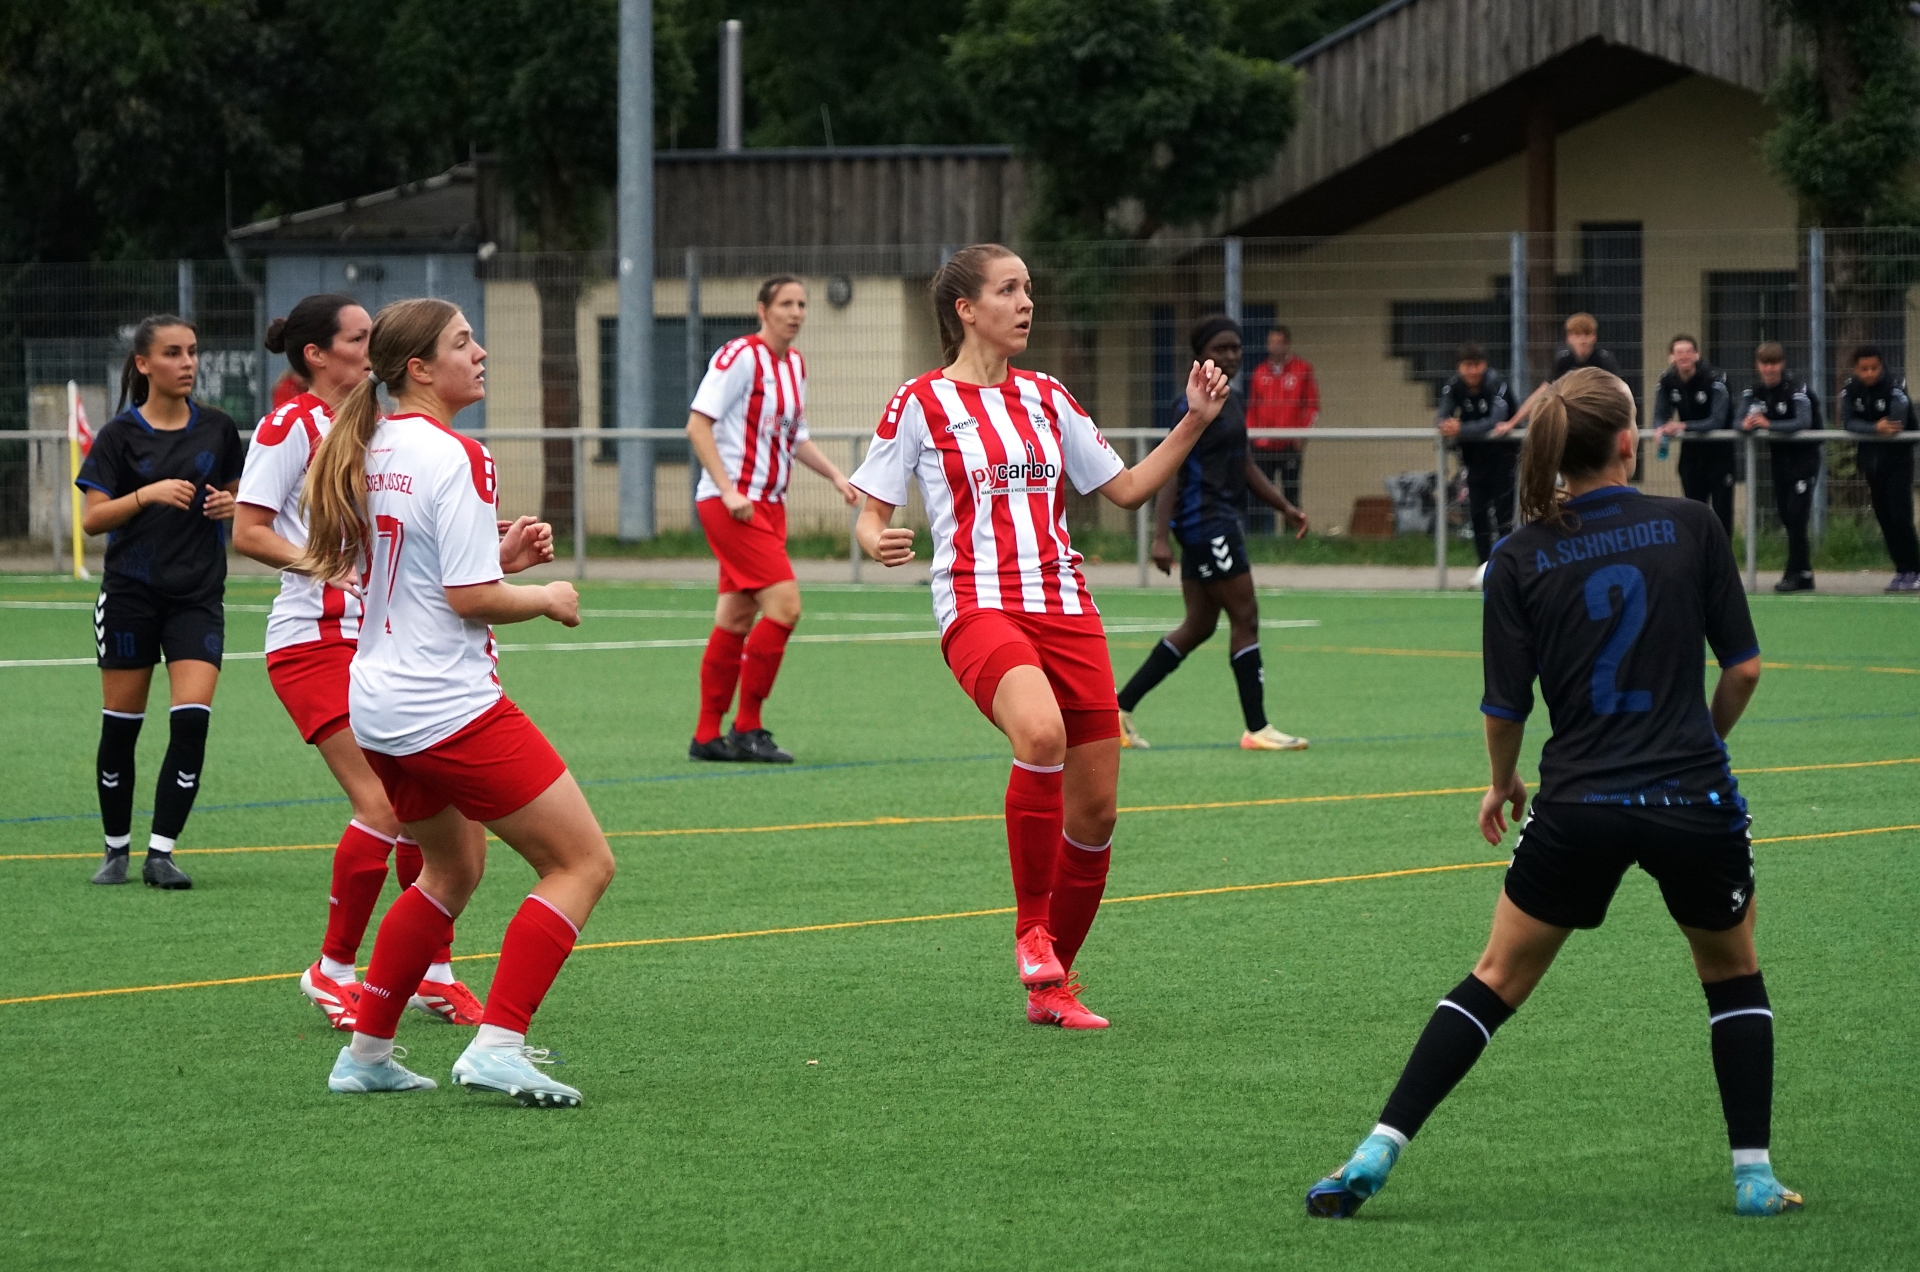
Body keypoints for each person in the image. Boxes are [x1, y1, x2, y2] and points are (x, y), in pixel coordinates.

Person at [1304, 367, 1799, 1220]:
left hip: (1577, 807)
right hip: (1692, 798)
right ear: (1628, 442)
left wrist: (1503, 782)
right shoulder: (1694, 524)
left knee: (1495, 977)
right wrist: (1702, 743)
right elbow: (1744, 670)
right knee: (1731, 972)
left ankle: (1376, 1149)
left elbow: (1505, 708)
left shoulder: (1518, 556)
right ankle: (1753, 1176)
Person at [849, 244, 1230, 1031]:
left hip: (1066, 609)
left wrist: (1194, 419)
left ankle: (1053, 986)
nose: (1026, 302)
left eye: (1029, 288)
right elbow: (871, 510)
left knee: (1097, 814)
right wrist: (873, 539)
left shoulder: (1048, 396)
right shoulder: (920, 401)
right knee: (1041, 732)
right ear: (966, 309)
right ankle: (1031, 930)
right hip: (978, 606)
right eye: (1009, 289)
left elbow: (1126, 489)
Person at [297, 298, 615, 1104]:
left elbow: (431, 574)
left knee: (449, 869)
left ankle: (366, 1056)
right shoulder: (458, 453)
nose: (480, 354)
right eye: (462, 343)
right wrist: (546, 596)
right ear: (419, 368)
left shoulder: (371, 445)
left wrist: (499, 557)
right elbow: (469, 599)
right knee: (581, 863)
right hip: (445, 703)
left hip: (378, 702)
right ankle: (497, 1045)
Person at [235, 294, 508, 1030]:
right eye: (358, 337)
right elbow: (249, 531)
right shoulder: (291, 425)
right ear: (316, 354)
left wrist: (494, 550)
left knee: (437, 814)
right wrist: (327, 567)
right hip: (316, 639)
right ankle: (331, 971)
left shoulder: (387, 432)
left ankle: (432, 973)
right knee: (384, 807)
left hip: (387, 644)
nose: (369, 347)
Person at [77, 315, 243, 890]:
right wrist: (145, 494)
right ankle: (115, 850)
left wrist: (231, 505)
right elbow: (93, 519)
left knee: (191, 722)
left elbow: (239, 496)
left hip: (197, 598)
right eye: (173, 353)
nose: (187, 362)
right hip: (130, 596)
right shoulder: (118, 436)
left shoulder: (218, 429)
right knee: (122, 728)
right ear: (144, 364)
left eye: (192, 351)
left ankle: (162, 854)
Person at [686, 275, 859, 764]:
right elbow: (698, 425)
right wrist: (727, 489)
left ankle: (706, 736)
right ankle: (747, 727)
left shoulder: (795, 365)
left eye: (802, 304)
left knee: (736, 617)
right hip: (732, 506)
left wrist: (835, 475)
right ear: (763, 310)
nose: (796, 312)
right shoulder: (740, 356)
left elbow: (794, 436)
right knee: (785, 607)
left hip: (770, 506)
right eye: (786, 303)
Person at [1116, 314, 1309, 751]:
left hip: (1216, 522)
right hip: (1206, 524)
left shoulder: (1232, 400)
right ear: (1199, 354)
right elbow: (1171, 469)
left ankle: (1120, 708)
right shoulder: (1189, 406)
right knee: (1246, 617)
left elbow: (1245, 464)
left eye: (1236, 348)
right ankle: (1257, 729)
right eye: (1220, 348)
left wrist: (1284, 507)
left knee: (1199, 625)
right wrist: (1160, 535)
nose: (1231, 356)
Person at [1736, 342, 1820, 593]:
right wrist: (1745, 424)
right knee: (1787, 516)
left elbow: (1803, 421)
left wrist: (1768, 424)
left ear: (1781, 364)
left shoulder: (1797, 389)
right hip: (1780, 462)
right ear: (1758, 365)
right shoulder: (1754, 392)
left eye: (1773, 364)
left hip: (1804, 460)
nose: (1769, 369)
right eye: (1765, 364)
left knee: (1796, 515)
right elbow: (1737, 419)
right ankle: (1805, 573)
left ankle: (1793, 573)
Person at [1835, 345, 1920, 593]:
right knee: (1884, 518)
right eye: (1864, 369)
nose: (1870, 373)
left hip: (1898, 462)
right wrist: (1874, 428)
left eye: (1874, 368)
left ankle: (1915, 570)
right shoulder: (1851, 389)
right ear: (1856, 369)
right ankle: (1901, 570)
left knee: (1900, 517)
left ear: (1881, 366)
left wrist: (1877, 426)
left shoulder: (1895, 385)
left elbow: (1896, 421)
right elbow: (1848, 422)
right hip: (1871, 464)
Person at [1434, 342, 1521, 564]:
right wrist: (1446, 425)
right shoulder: (1454, 386)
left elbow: (1496, 420)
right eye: (1467, 365)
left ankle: (1506, 567)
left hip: (1503, 459)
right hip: (1474, 461)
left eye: (1477, 365)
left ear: (1484, 365)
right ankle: (1484, 566)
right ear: (1459, 367)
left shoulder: (1496, 384)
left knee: (1504, 517)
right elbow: (1441, 417)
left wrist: (1461, 430)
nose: (1473, 371)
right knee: (1478, 515)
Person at [1655, 335, 1736, 536]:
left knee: (1722, 515)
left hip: (1720, 455)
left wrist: (1682, 426)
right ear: (1671, 357)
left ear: (1697, 355)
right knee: (1694, 513)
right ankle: (1699, 555)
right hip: (1691, 455)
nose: (1684, 356)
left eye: (1688, 352)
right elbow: (1660, 414)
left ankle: (1723, 555)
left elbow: (1716, 421)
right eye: (1679, 352)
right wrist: (1660, 428)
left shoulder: (1715, 378)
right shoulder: (1667, 380)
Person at [1246, 325, 1317, 530]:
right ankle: (1257, 538)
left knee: (1291, 493)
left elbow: (1312, 407)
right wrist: (1252, 436)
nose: (1273, 347)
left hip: (1289, 444)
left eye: (1278, 343)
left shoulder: (1302, 369)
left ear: (1287, 344)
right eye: (1270, 342)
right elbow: (1252, 408)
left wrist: (1301, 436)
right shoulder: (1260, 372)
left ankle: (1292, 535)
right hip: (1263, 445)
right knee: (1259, 494)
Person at [1509, 312, 1627, 431]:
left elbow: (1621, 392)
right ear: (1569, 338)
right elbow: (1543, 391)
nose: (1583, 340)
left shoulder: (1604, 360)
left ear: (1594, 337)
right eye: (1577, 335)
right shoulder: (1564, 361)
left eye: (1587, 334)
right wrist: (1512, 423)